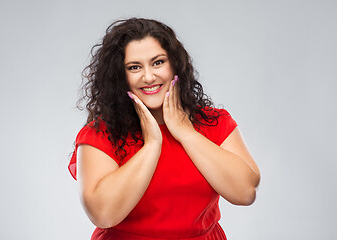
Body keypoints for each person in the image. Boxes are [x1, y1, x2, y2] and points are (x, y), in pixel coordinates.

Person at [68, 18, 260, 240]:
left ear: (175, 65)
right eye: (134, 67)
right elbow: (103, 214)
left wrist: (185, 132)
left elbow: (246, 192)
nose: (149, 77)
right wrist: (152, 145)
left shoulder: (213, 122)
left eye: (158, 62)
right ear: (119, 76)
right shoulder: (101, 134)